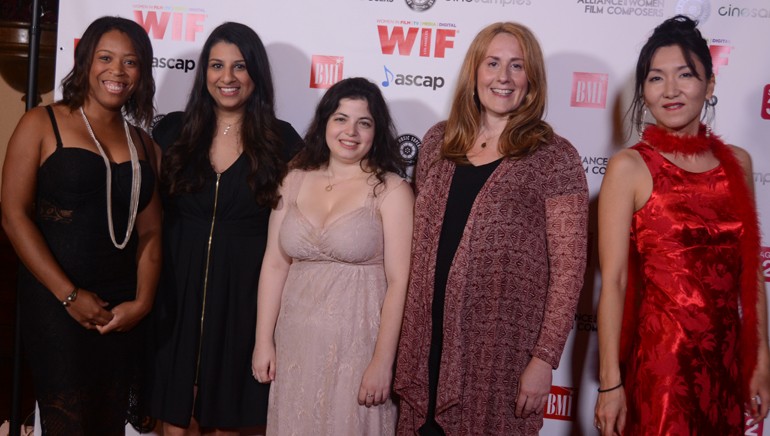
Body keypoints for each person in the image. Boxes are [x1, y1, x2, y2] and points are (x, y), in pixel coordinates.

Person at [393, 22, 588, 435]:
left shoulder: (555, 157)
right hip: (425, 346)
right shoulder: (436, 143)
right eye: (493, 63)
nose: (503, 77)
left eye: (517, 66)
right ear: (474, 72)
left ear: (531, 79)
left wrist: (543, 359)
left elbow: (570, 270)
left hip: (501, 356)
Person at [594, 15, 770, 436]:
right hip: (662, 367)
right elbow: (614, 282)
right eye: (656, 78)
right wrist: (609, 384)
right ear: (644, 91)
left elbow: (751, 273)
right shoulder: (629, 167)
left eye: (685, 75)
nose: (670, 90)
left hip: (726, 366)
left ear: (709, 86)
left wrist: (760, 360)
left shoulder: (738, 164)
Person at [1, 16, 161, 435]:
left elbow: (150, 232)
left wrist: (142, 303)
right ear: (85, 61)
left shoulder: (144, 143)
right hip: (56, 306)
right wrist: (69, 296)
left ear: (142, 72)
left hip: (122, 311)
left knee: (107, 425)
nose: (117, 71)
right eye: (105, 58)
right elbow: (14, 216)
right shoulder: (41, 123)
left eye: (131, 62)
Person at [146, 22, 303, 435]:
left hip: (244, 299)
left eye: (239, 66)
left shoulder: (282, 142)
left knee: (228, 418)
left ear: (257, 74)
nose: (227, 77)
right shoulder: (172, 131)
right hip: (174, 293)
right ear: (204, 74)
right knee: (173, 416)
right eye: (217, 66)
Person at [251, 77, 414, 435]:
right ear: (325, 122)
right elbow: (275, 264)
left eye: (364, 122)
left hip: (357, 351)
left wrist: (383, 362)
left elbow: (400, 282)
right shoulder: (293, 180)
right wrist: (264, 340)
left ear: (377, 131)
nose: (350, 131)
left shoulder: (392, 190)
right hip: (295, 347)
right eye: (341, 118)